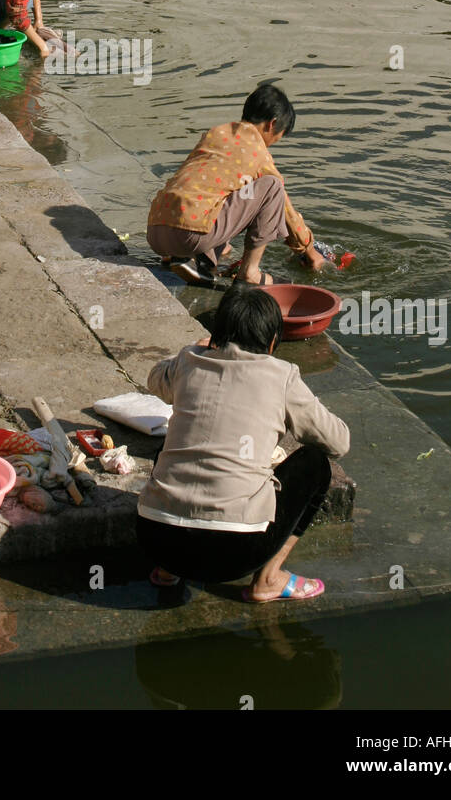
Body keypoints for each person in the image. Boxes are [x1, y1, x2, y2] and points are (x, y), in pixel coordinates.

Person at [136, 286, 350, 599]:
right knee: (315, 464)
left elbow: (155, 378)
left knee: (173, 444)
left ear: (215, 335)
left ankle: (169, 572)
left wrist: (192, 350)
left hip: (156, 539)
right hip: (236, 553)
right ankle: (267, 579)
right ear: (273, 341)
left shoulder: (188, 362)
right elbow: (338, 442)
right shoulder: (282, 376)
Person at [146, 82, 327, 285]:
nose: (273, 143)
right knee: (272, 187)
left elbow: (206, 188)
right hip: (190, 234)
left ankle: (199, 259)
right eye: (278, 137)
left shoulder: (216, 133)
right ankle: (250, 272)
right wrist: (309, 251)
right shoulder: (258, 153)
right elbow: (286, 211)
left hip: (156, 231)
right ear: (271, 124)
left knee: (234, 190)